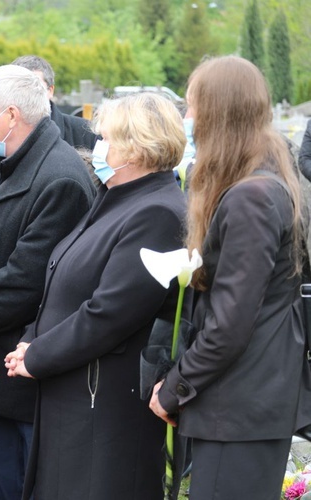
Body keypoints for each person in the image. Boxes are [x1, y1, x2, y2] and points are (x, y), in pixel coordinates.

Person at [4, 92, 188, 499]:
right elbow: (64, 281)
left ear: (138, 147)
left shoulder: (158, 212)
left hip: (103, 402)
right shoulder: (115, 197)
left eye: (106, 138)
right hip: (73, 390)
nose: (97, 147)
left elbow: (111, 312)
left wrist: (38, 355)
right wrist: (32, 335)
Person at [149, 56, 308, 500]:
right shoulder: (266, 177)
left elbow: (231, 323)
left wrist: (176, 387)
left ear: (219, 113)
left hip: (242, 403)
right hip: (248, 399)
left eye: (193, 106)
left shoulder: (252, 197)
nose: (187, 119)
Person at [0, 64, 95, 500]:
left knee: (18, 480)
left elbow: (27, 274)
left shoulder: (60, 178)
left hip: (21, 357)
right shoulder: (11, 161)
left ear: (11, 115)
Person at [11, 55, 98, 151]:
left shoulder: (85, 133)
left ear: (50, 90)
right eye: (20, 87)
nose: (27, 93)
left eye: (35, 86)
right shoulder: (0, 132)